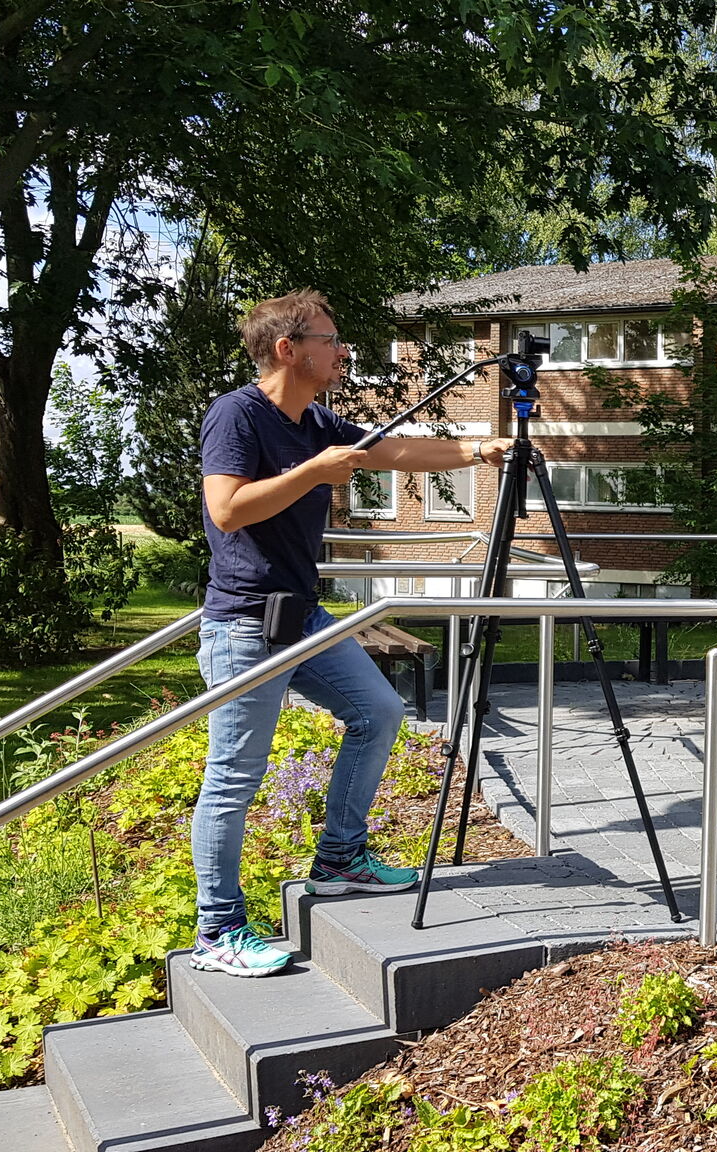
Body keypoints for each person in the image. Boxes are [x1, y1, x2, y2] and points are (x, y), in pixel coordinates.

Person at [190, 289, 511, 977]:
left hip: (301, 616)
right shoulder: (238, 416)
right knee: (233, 781)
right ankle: (218, 930)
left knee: (379, 709)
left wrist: (479, 449)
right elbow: (226, 510)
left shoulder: (315, 422)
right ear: (288, 349)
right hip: (245, 623)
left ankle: (339, 857)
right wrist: (313, 472)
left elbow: (395, 452)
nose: (342, 353)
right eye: (331, 341)